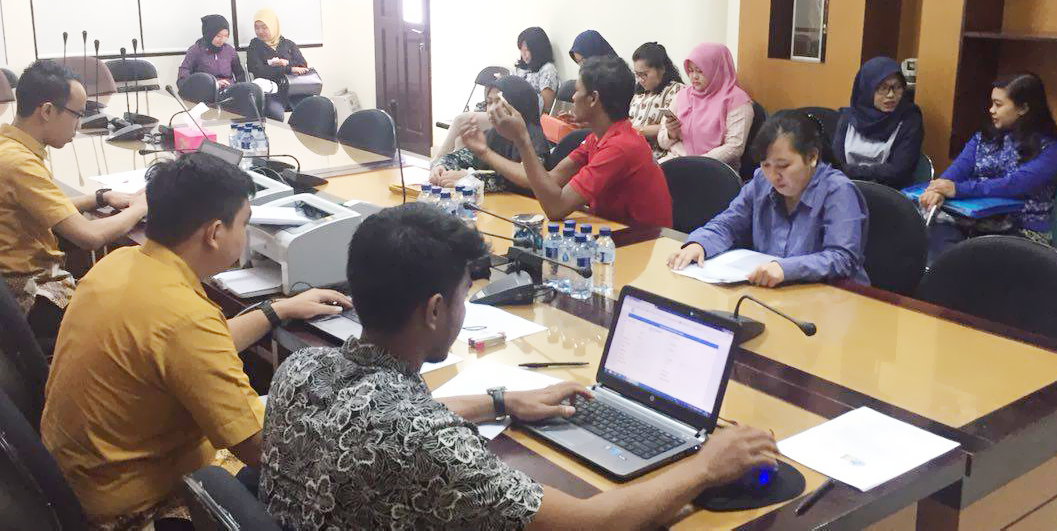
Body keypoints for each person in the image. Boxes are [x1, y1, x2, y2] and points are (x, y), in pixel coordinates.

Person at [260, 202, 779, 529]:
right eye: (464, 295)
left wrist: (502, 401)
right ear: (435, 310)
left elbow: (386, 420)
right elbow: (590, 523)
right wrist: (705, 467)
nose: (464, 309)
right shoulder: (427, 444)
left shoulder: (300, 371)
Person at [41, 152, 349, 530]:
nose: (245, 235)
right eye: (244, 224)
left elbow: (187, 348)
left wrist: (277, 310)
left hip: (81, 482)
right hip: (135, 511)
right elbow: (260, 449)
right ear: (215, 233)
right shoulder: (185, 318)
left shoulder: (119, 264)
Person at [0, 60, 147, 345]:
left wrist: (98, 197)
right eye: (76, 114)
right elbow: (89, 237)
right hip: (30, 299)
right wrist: (141, 207)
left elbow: (39, 205)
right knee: (141, 309)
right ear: (47, 111)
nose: (78, 125)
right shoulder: (19, 164)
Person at [668, 113, 870, 286]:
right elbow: (728, 223)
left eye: (783, 166)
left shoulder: (838, 191)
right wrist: (700, 244)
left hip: (832, 297)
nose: (773, 176)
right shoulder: (761, 181)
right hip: (771, 291)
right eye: (766, 165)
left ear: (811, 157)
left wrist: (786, 269)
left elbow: (842, 258)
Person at [476, 56, 673, 228]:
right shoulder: (599, 137)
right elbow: (551, 180)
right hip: (615, 234)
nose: (572, 96)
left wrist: (522, 140)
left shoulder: (620, 146)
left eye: (577, 90)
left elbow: (556, 207)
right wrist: (485, 151)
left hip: (643, 242)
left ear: (593, 99)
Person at [920, 73, 1057, 262]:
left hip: (1022, 232)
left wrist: (957, 189)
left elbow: (1014, 185)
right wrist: (938, 190)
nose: (991, 110)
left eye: (998, 105)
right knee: (930, 237)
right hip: (972, 222)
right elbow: (956, 171)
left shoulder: (1053, 149)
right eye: (992, 103)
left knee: (974, 260)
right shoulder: (984, 137)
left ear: (1023, 108)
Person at [429, 76, 550, 192]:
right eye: (489, 102)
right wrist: (442, 167)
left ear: (517, 105)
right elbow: (461, 157)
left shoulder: (535, 139)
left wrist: (470, 179)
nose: (491, 110)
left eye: (499, 102)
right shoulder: (494, 134)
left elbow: (521, 180)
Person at [658, 42, 754, 169]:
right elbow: (662, 142)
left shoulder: (737, 100)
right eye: (691, 71)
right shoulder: (682, 96)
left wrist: (696, 163)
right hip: (676, 160)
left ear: (717, 70)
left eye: (700, 71)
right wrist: (671, 133)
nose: (694, 76)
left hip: (713, 168)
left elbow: (734, 148)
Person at [833, 57, 924, 189]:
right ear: (867, 89)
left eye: (897, 87)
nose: (891, 95)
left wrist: (850, 171)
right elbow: (835, 164)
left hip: (888, 192)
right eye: (883, 88)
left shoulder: (909, 119)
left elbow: (898, 171)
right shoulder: (848, 118)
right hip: (844, 187)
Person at [246, 7, 311, 121]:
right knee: (275, 114)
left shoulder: (288, 44)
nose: (260, 31)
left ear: (273, 26)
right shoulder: (254, 46)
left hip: (295, 89)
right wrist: (288, 69)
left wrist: (286, 63)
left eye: (264, 27)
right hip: (271, 91)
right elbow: (258, 70)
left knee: (309, 110)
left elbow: (302, 64)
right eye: (257, 27)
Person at [629, 42, 686, 160]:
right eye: (637, 75)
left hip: (657, 153)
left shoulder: (676, 90)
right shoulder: (640, 92)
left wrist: (637, 130)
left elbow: (672, 127)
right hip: (631, 146)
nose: (640, 80)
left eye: (644, 74)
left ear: (661, 69)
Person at [177, 14, 246, 91]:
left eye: (226, 36)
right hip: (206, 91)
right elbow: (182, 79)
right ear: (209, 35)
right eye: (218, 36)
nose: (222, 40)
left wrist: (239, 88)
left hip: (228, 91)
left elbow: (240, 74)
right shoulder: (195, 51)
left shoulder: (229, 51)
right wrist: (213, 84)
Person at [514, 26, 560, 112]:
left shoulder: (547, 70)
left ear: (537, 50)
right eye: (521, 50)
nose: (523, 54)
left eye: (526, 50)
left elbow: (546, 107)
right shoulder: (522, 68)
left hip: (532, 116)